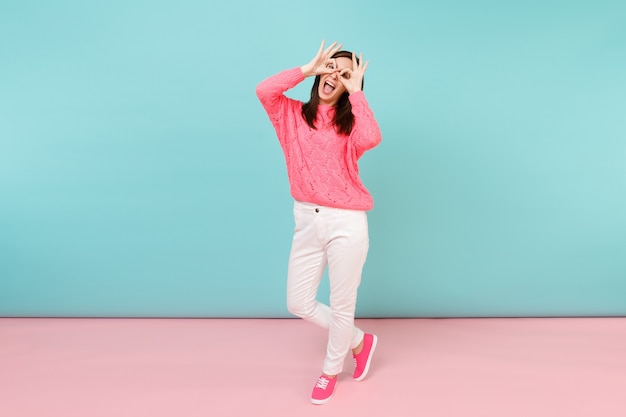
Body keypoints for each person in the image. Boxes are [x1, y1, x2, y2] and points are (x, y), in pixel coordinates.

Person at [256, 40, 382, 405]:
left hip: (346, 222)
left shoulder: (351, 125)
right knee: (298, 301)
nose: (334, 77)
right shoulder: (290, 114)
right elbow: (264, 90)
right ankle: (359, 340)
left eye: (344, 75)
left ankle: (330, 372)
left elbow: (372, 137)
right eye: (331, 68)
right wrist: (306, 69)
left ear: (348, 86)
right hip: (306, 219)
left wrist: (358, 94)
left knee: (342, 305)